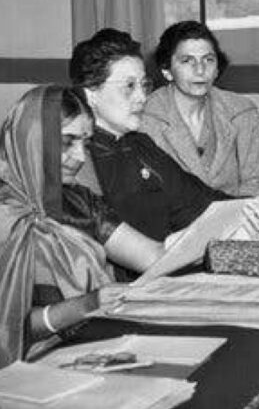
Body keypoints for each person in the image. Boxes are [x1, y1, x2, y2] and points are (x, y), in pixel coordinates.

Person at [69, 29, 259, 245]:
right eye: (129, 86)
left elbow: (200, 201)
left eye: (144, 85)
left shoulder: (140, 145)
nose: (141, 97)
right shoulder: (78, 161)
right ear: (91, 94)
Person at [0, 86, 156, 367]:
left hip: (91, 345)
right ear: (33, 139)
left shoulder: (77, 201)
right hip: (25, 366)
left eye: (85, 143)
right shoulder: (6, 215)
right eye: (67, 142)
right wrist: (85, 305)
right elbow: (7, 327)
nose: (81, 157)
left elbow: (153, 256)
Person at [142, 21, 259, 197]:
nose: (200, 70)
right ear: (167, 71)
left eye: (208, 60)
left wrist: (241, 209)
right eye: (187, 61)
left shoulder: (241, 111)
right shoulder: (146, 118)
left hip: (237, 211)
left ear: (217, 69)